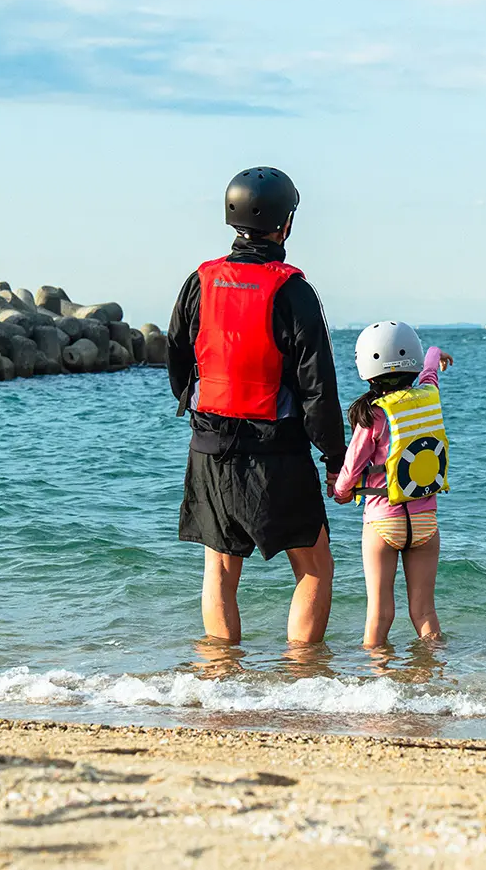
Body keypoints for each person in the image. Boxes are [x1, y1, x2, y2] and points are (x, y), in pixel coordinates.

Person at [167, 166, 346, 646]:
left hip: (209, 447)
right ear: (285, 223)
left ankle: (222, 679)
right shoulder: (294, 291)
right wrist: (334, 460)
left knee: (220, 569)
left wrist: (201, 418)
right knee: (314, 568)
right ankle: (302, 676)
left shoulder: (199, 282)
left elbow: (178, 359)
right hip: (277, 451)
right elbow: (318, 388)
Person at [332, 322, 452, 647]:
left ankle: (378, 685)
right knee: (425, 612)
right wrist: (437, 354)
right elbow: (429, 365)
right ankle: (433, 677)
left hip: (384, 523)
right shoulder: (428, 393)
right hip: (426, 523)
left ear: (367, 371)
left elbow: (351, 467)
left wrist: (340, 493)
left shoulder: (373, 416)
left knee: (380, 613)